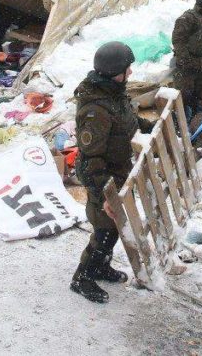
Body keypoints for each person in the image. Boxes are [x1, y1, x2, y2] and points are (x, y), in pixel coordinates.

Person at [70, 41, 153, 303]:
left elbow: (126, 119)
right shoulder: (96, 110)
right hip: (100, 175)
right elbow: (92, 157)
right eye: (126, 70)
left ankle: (101, 266)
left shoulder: (114, 93)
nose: (130, 74)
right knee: (104, 228)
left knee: (115, 226)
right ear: (112, 72)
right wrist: (105, 194)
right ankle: (82, 277)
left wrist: (146, 126)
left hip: (116, 171)